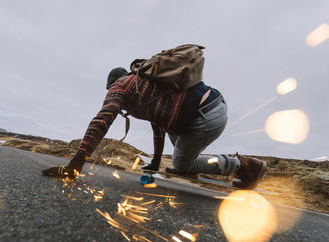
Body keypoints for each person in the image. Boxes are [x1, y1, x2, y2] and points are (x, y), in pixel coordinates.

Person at [43, 67, 267, 189]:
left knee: (181, 163)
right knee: (179, 149)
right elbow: (159, 126)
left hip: (206, 114)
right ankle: (192, 165)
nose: (110, 92)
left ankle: (244, 165)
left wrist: (75, 164)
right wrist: (157, 162)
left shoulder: (120, 85)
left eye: (109, 89)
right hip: (207, 108)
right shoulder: (143, 85)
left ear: (112, 84)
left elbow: (103, 119)